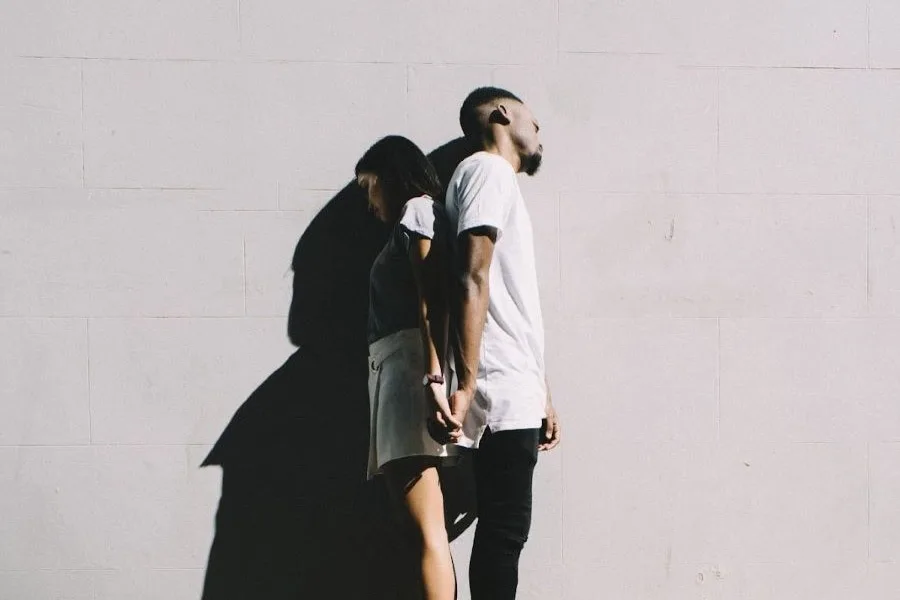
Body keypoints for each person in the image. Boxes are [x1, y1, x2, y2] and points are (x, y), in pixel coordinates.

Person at [433, 87, 562, 600]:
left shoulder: (496, 180)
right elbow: (471, 276)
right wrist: (466, 384)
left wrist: (543, 392)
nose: (541, 134)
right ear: (504, 114)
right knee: (505, 532)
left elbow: (511, 302)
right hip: (497, 387)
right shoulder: (487, 171)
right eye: (536, 120)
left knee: (504, 530)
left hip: (515, 386)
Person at [356, 135, 459, 600]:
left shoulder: (418, 210)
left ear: (390, 175)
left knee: (426, 528)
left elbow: (432, 297)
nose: (368, 200)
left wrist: (433, 379)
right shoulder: (413, 217)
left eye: (369, 186)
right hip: (397, 374)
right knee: (419, 524)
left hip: (408, 373)